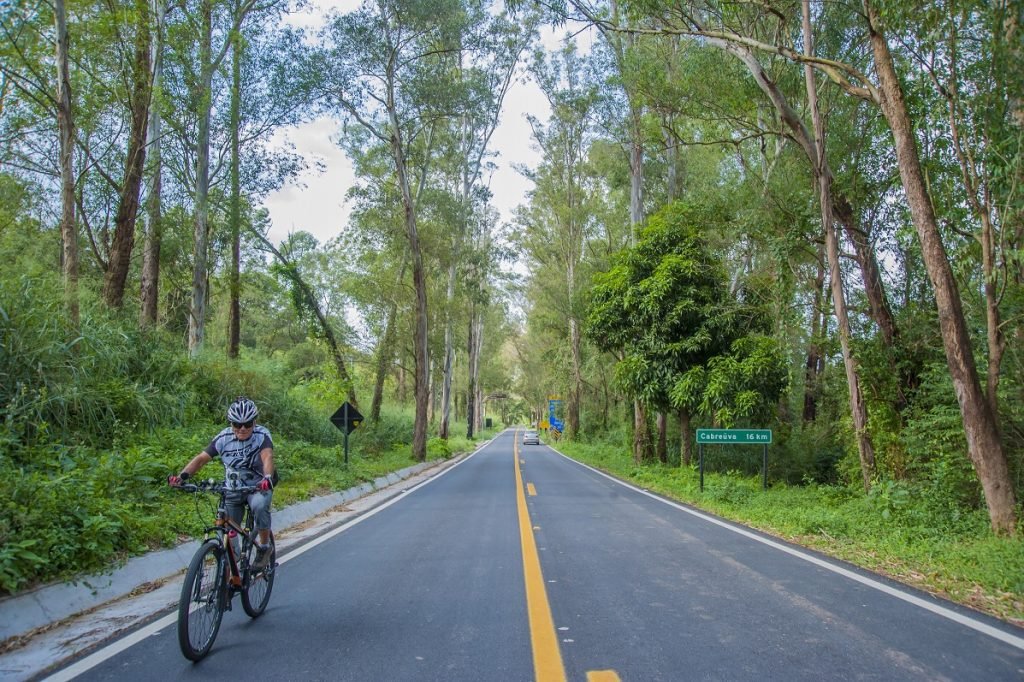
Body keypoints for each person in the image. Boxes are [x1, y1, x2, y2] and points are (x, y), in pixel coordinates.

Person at [168, 397, 276, 569]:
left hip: (257, 487)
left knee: (259, 506)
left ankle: (264, 547)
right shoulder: (224, 438)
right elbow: (202, 459)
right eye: (236, 424)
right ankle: (226, 580)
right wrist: (182, 477)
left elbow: (267, 456)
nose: (242, 429)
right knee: (227, 528)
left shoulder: (261, 435)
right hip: (233, 489)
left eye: (247, 424)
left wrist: (267, 478)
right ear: (230, 423)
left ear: (254, 422)